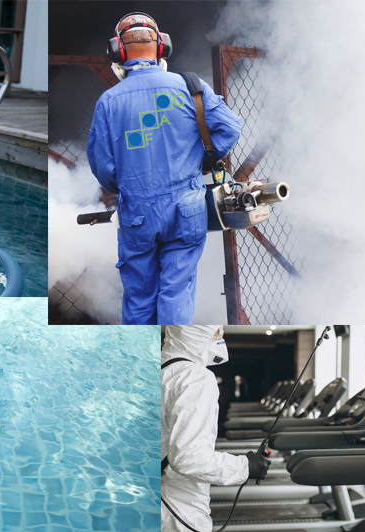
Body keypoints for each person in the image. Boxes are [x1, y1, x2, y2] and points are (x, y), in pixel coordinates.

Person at [87, 13, 242, 325]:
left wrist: (129, 184)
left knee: (139, 297)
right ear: (162, 47)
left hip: (137, 214)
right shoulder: (190, 87)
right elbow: (230, 128)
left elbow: (103, 168)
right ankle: (169, 357)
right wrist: (198, 162)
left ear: (117, 50)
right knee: (176, 292)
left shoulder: (108, 102)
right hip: (187, 208)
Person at [161, 325, 270, 532]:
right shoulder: (196, 377)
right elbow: (188, 458)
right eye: (216, 332)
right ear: (196, 334)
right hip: (178, 507)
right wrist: (245, 466)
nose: (221, 338)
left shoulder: (159, 367)